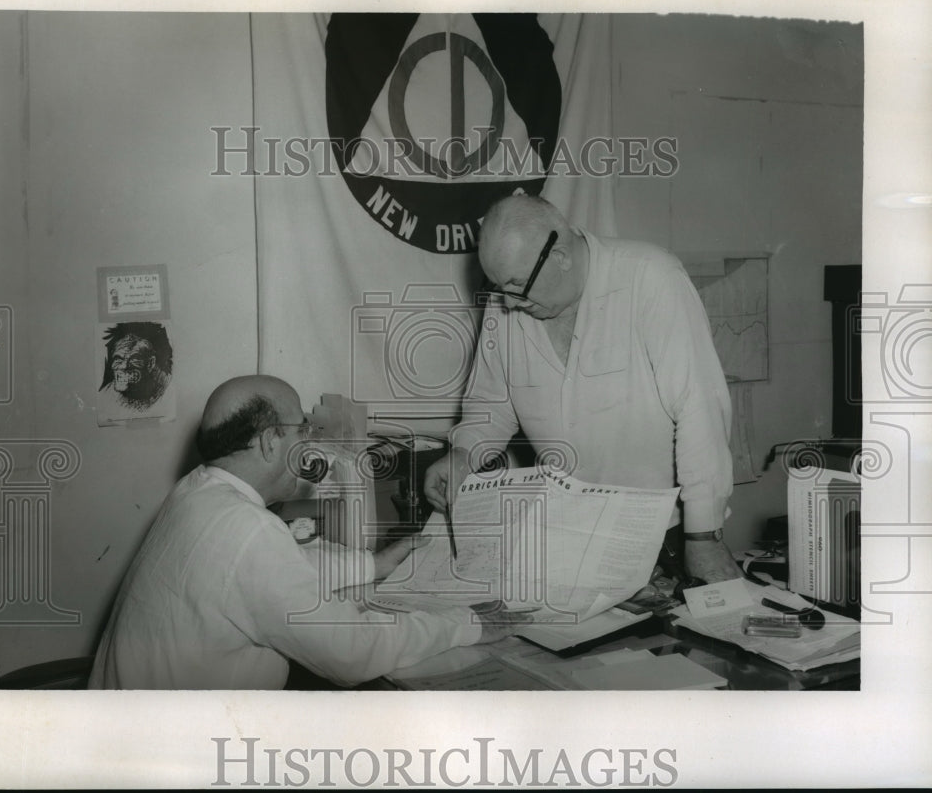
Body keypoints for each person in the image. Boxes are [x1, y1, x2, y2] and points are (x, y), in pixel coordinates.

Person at [89, 374, 527, 690]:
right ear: (268, 443)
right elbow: (353, 655)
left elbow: (275, 572)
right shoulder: (247, 530)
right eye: (302, 429)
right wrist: (466, 623)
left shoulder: (197, 492)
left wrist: (371, 564)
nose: (310, 442)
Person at [424, 194, 742, 584]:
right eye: (498, 287)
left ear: (560, 255)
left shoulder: (650, 278)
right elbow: (492, 403)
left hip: (664, 536)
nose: (506, 303)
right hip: (569, 534)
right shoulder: (509, 302)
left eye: (517, 285)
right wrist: (464, 454)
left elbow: (699, 410)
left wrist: (704, 537)